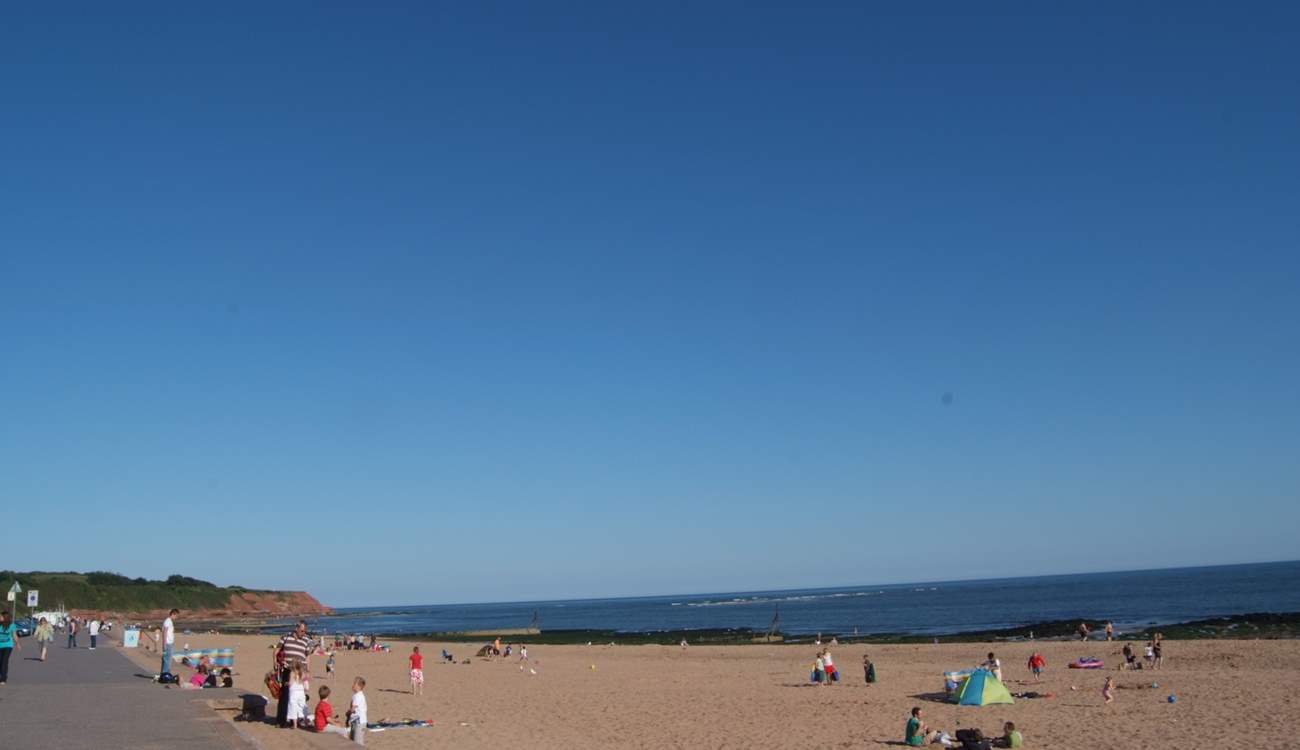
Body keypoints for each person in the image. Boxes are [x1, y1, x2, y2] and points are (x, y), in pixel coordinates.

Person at [276, 620, 317, 728]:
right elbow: (277, 650)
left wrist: (308, 671)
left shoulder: (306, 640)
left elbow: (308, 656)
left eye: (305, 631)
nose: (303, 633)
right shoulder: (286, 636)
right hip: (287, 668)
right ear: (296, 628)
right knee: (285, 695)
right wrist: (275, 663)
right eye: (302, 631)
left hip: (301, 670)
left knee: (300, 697)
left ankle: (296, 720)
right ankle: (281, 720)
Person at [0, 612, 21, 684]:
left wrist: (18, 644)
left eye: (1, 616)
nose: (0, 617)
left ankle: (3, 679)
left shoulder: (12, 626)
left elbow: (14, 635)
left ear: (5, 617)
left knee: (4, 661)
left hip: (8, 645)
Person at [346, 676, 368, 745]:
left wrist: (347, 713)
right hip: (356, 722)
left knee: (358, 743)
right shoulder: (357, 695)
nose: (352, 685)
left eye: (354, 684)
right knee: (353, 742)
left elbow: (353, 709)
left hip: (359, 723)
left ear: (358, 686)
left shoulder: (358, 696)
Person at [286, 663, 308, 727]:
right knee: (302, 706)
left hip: (293, 692)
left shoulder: (292, 673)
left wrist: (286, 683)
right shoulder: (302, 673)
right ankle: (306, 722)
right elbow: (305, 683)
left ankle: (295, 724)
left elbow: (290, 683)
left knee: (293, 707)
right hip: (301, 692)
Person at [160, 609, 177, 678]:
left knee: (166, 659)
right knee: (167, 660)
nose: (176, 618)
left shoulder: (169, 621)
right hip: (168, 643)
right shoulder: (168, 621)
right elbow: (164, 633)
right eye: (176, 616)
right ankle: (165, 674)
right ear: (173, 614)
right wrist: (164, 644)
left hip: (169, 643)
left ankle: (163, 674)